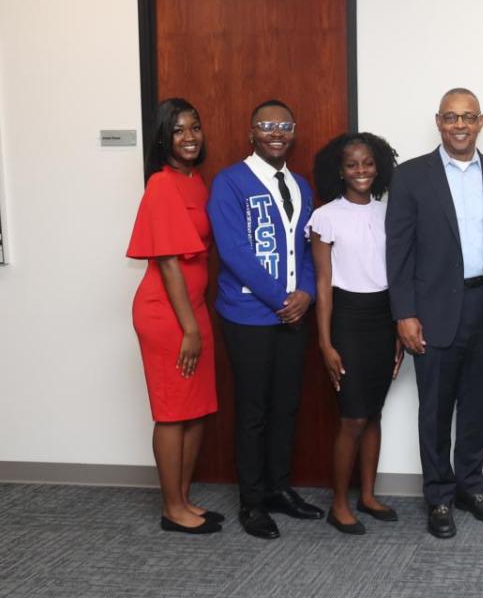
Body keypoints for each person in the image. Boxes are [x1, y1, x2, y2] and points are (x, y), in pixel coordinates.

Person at [386, 87, 483, 539]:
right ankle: (440, 497)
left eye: (468, 117)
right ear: (438, 121)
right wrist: (404, 313)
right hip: (432, 312)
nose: (460, 126)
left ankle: (470, 487)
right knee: (434, 410)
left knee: (476, 406)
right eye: (451, 117)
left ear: (481, 121)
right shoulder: (410, 177)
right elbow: (399, 253)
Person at [208, 99, 322, 539]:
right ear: (251, 132)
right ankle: (252, 501)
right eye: (267, 125)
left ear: (293, 131)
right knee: (254, 410)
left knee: (286, 407)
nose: (277, 132)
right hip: (248, 315)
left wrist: (307, 293)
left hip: (292, 315)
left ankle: (278, 488)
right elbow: (234, 252)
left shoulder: (300, 185)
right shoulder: (231, 182)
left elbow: (307, 246)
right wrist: (282, 298)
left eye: (285, 125)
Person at [127, 98, 222, 534]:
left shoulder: (195, 182)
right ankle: (171, 509)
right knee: (172, 411)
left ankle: (184, 499)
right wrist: (188, 328)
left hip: (193, 309)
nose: (190, 137)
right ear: (164, 137)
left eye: (195, 127)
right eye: (179, 129)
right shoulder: (162, 185)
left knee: (196, 408)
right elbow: (167, 262)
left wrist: (196, 321)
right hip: (168, 314)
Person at [308, 132, 402, 535]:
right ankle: (339, 504)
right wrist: (325, 342)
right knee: (352, 416)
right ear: (339, 171)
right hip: (347, 317)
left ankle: (367, 495)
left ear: (378, 166)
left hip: (384, 317)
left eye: (367, 163)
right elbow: (324, 284)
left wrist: (399, 326)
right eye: (352, 165)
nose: (360, 171)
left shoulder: (388, 213)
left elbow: (397, 277)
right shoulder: (326, 216)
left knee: (374, 412)